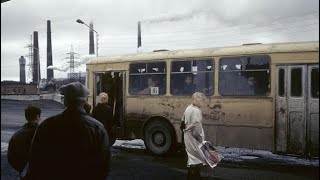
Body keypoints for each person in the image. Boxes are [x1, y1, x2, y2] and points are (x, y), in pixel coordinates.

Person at [28, 82, 111, 180]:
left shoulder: (47, 125)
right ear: (85, 101)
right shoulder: (98, 128)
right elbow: (104, 164)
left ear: (65, 101)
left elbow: (35, 158)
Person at [7, 105, 41, 176]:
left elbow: (10, 156)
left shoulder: (17, 134)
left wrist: (22, 169)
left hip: (22, 171)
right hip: (38, 172)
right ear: (37, 116)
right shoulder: (41, 132)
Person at [181, 92, 208, 180]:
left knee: (192, 158)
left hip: (187, 136)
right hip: (194, 138)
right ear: (196, 100)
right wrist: (201, 140)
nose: (202, 103)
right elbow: (197, 128)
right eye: (201, 100)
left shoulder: (188, 108)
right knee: (195, 160)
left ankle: (191, 176)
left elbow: (182, 123)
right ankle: (194, 177)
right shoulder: (196, 110)